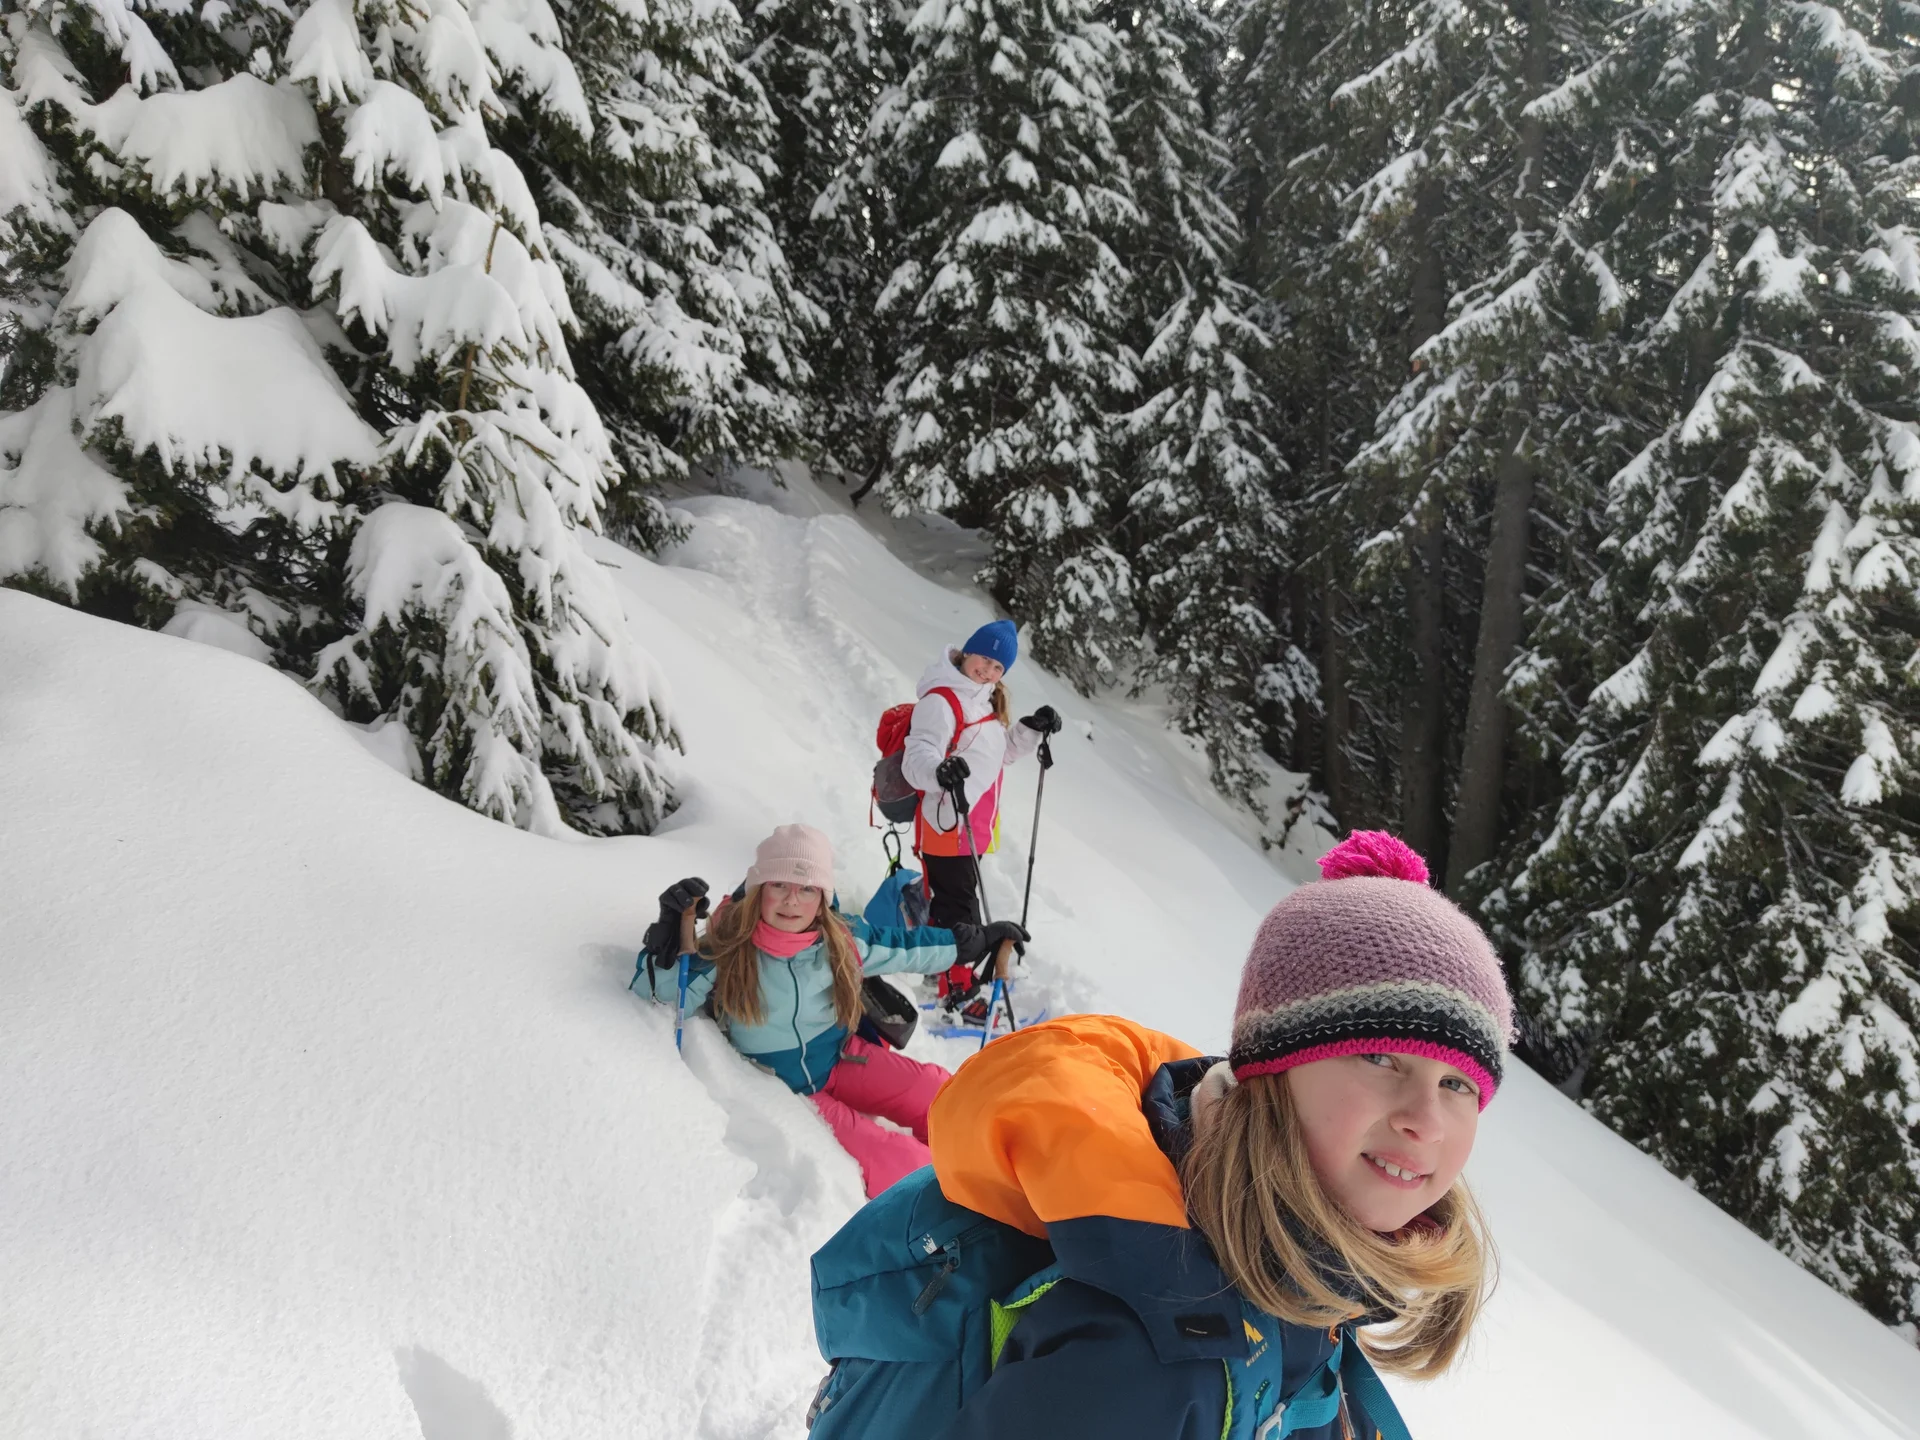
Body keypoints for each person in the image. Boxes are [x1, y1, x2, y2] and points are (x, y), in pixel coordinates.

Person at [808, 830, 1508, 1438]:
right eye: (1380, 1057)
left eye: (1459, 1085)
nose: (1427, 1119)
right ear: (1272, 1067)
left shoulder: (1304, 1258)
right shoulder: (1153, 1360)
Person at [642, 824, 1026, 1197]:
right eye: (779, 885)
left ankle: (999, 1162)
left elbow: (905, 945)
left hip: (842, 1058)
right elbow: (668, 997)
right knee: (900, 1161)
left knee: (937, 1091)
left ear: (823, 898)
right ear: (759, 890)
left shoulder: (840, 939)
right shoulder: (729, 948)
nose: (792, 901)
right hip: (790, 1088)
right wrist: (666, 947)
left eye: (807, 889)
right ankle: (966, 1200)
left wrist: (969, 945)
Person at [898, 620, 1061, 1013]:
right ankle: (955, 988)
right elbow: (916, 756)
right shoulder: (941, 701)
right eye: (984, 660)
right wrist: (938, 770)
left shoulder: (982, 699)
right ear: (967, 653)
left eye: (997, 668)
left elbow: (997, 752)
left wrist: (1030, 729)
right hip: (946, 825)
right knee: (962, 911)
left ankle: (937, 950)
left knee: (955, 900)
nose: (988, 671)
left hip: (971, 825)